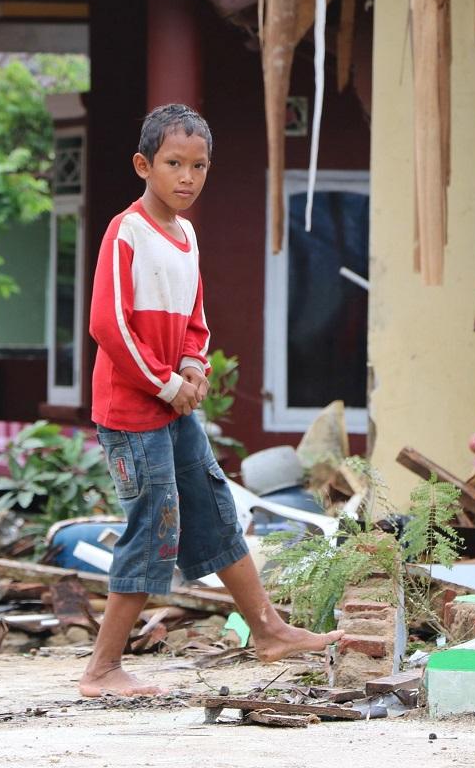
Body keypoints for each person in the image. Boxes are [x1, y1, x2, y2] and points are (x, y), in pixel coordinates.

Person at [80, 104, 343, 697]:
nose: (187, 178)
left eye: (199, 166)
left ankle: (270, 631)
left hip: (174, 405)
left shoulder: (187, 234)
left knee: (213, 507)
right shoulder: (127, 232)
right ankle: (101, 670)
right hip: (134, 411)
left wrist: (194, 367)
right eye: (174, 164)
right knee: (153, 524)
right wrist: (167, 383)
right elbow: (107, 325)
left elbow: (195, 317)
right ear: (143, 165)